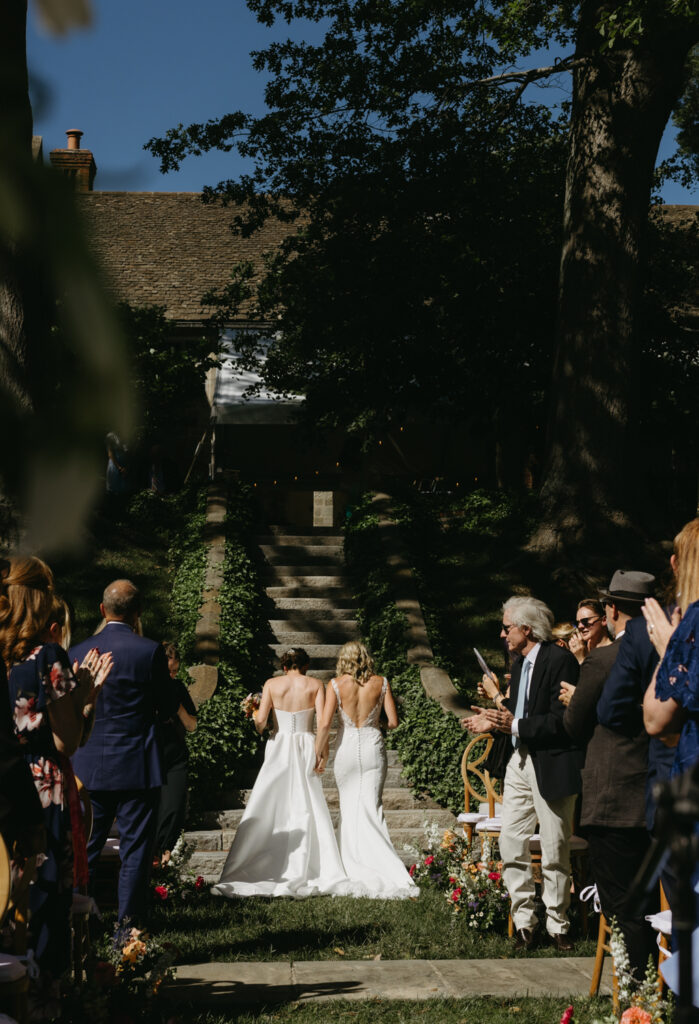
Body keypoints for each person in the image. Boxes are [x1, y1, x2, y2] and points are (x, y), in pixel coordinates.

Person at [0, 558, 111, 986]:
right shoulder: (47, 656)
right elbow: (67, 741)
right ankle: (44, 987)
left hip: (4, 783)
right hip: (42, 784)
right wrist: (88, 695)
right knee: (44, 887)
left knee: (7, 885)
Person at [464, 596, 582, 950]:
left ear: (526, 629)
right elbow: (518, 714)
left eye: (506, 627)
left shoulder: (560, 660)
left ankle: (558, 924)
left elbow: (560, 721)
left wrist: (512, 722)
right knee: (510, 840)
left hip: (552, 761)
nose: (502, 634)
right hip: (519, 762)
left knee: (554, 844)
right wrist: (494, 719)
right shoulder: (518, 664)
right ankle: (525, 922)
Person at [563, 570, 657, 979]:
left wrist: (574, 699)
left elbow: (573, 725)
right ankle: (660, 985)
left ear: (612, 610)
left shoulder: (603, 660)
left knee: (622, 904)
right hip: (657, 792)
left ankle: (637, 994)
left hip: (613, 797)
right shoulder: (670, 650)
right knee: (655, 903)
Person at [71, 579, 179, 924]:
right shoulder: (148, 652)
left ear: (102, 610)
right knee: (134, 850)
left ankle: (79, 927)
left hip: (88, 764)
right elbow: (167, 704)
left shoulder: (78, 651)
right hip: (136, 762)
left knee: (84, 849)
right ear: (138, 613)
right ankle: (129, 931)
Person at [212, 648, 353, 898]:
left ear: (284, 666)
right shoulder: (314, 684)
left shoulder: (271, 684)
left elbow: (262, 722)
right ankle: (315, 865)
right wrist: (323, 753)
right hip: (306, 744)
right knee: (308, 802)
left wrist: (253, 713)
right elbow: (323, 723)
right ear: (306, 665)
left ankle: (264, 861)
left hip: (279, 746)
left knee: (270, 800)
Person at [315, 641, 417, 899]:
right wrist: (375, 721)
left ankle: (350, 865)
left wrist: (319, 751)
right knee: (373, 807)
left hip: (347, 748)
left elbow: (325, 723)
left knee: (349, 808)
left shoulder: (336, 685)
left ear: (343, 660)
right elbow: (393, 722)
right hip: (373, 746)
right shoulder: (381, 683)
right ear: (366, 658)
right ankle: (382, 865)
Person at [154, 641, 197, 865]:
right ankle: (156, 861)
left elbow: (191, 725)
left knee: (174, 807)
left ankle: (165, 854)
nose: (171, 675)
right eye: (167, 671)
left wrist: (177, 705)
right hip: (152, 756)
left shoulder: (178, 688)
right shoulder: (148, 687)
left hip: (175, 757)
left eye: (175, 671)